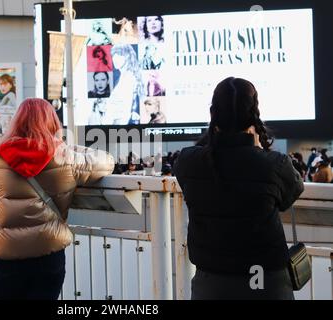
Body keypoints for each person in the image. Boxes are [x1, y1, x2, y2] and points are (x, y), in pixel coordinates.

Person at [173, 77, 304, 300]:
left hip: (210, 282)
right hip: (264, 281)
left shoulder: (187, 161)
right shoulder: (274, 164)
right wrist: (259, 149)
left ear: (213, 112)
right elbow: (290, 194)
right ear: (254, 113)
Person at [0, 98, 114, 300]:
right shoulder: (64, 156)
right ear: (52, 122)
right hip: (46, 251)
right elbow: (106, 162)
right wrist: (71, 147)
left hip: (6, 255)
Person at [108, 44, 144, 125]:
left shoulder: (129, 77)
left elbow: (126, 110)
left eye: (119, 55)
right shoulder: (122, 76)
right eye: (114, 55)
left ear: (127, 56)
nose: (115, 58)